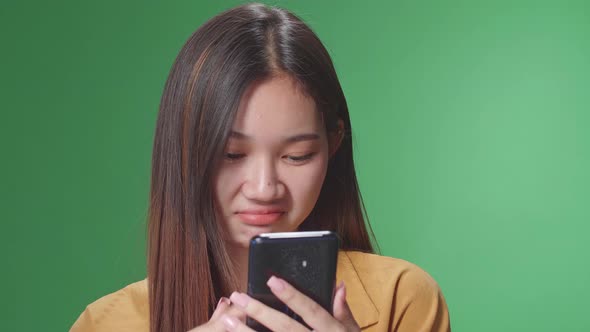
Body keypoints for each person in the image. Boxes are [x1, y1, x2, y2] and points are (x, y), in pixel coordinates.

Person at [71, 3, 450, 332]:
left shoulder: (402, 299)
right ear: (184, 153)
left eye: (297, 156)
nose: (265, 187)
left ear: (334, 144)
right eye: (232, 155)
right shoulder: (105, 323)